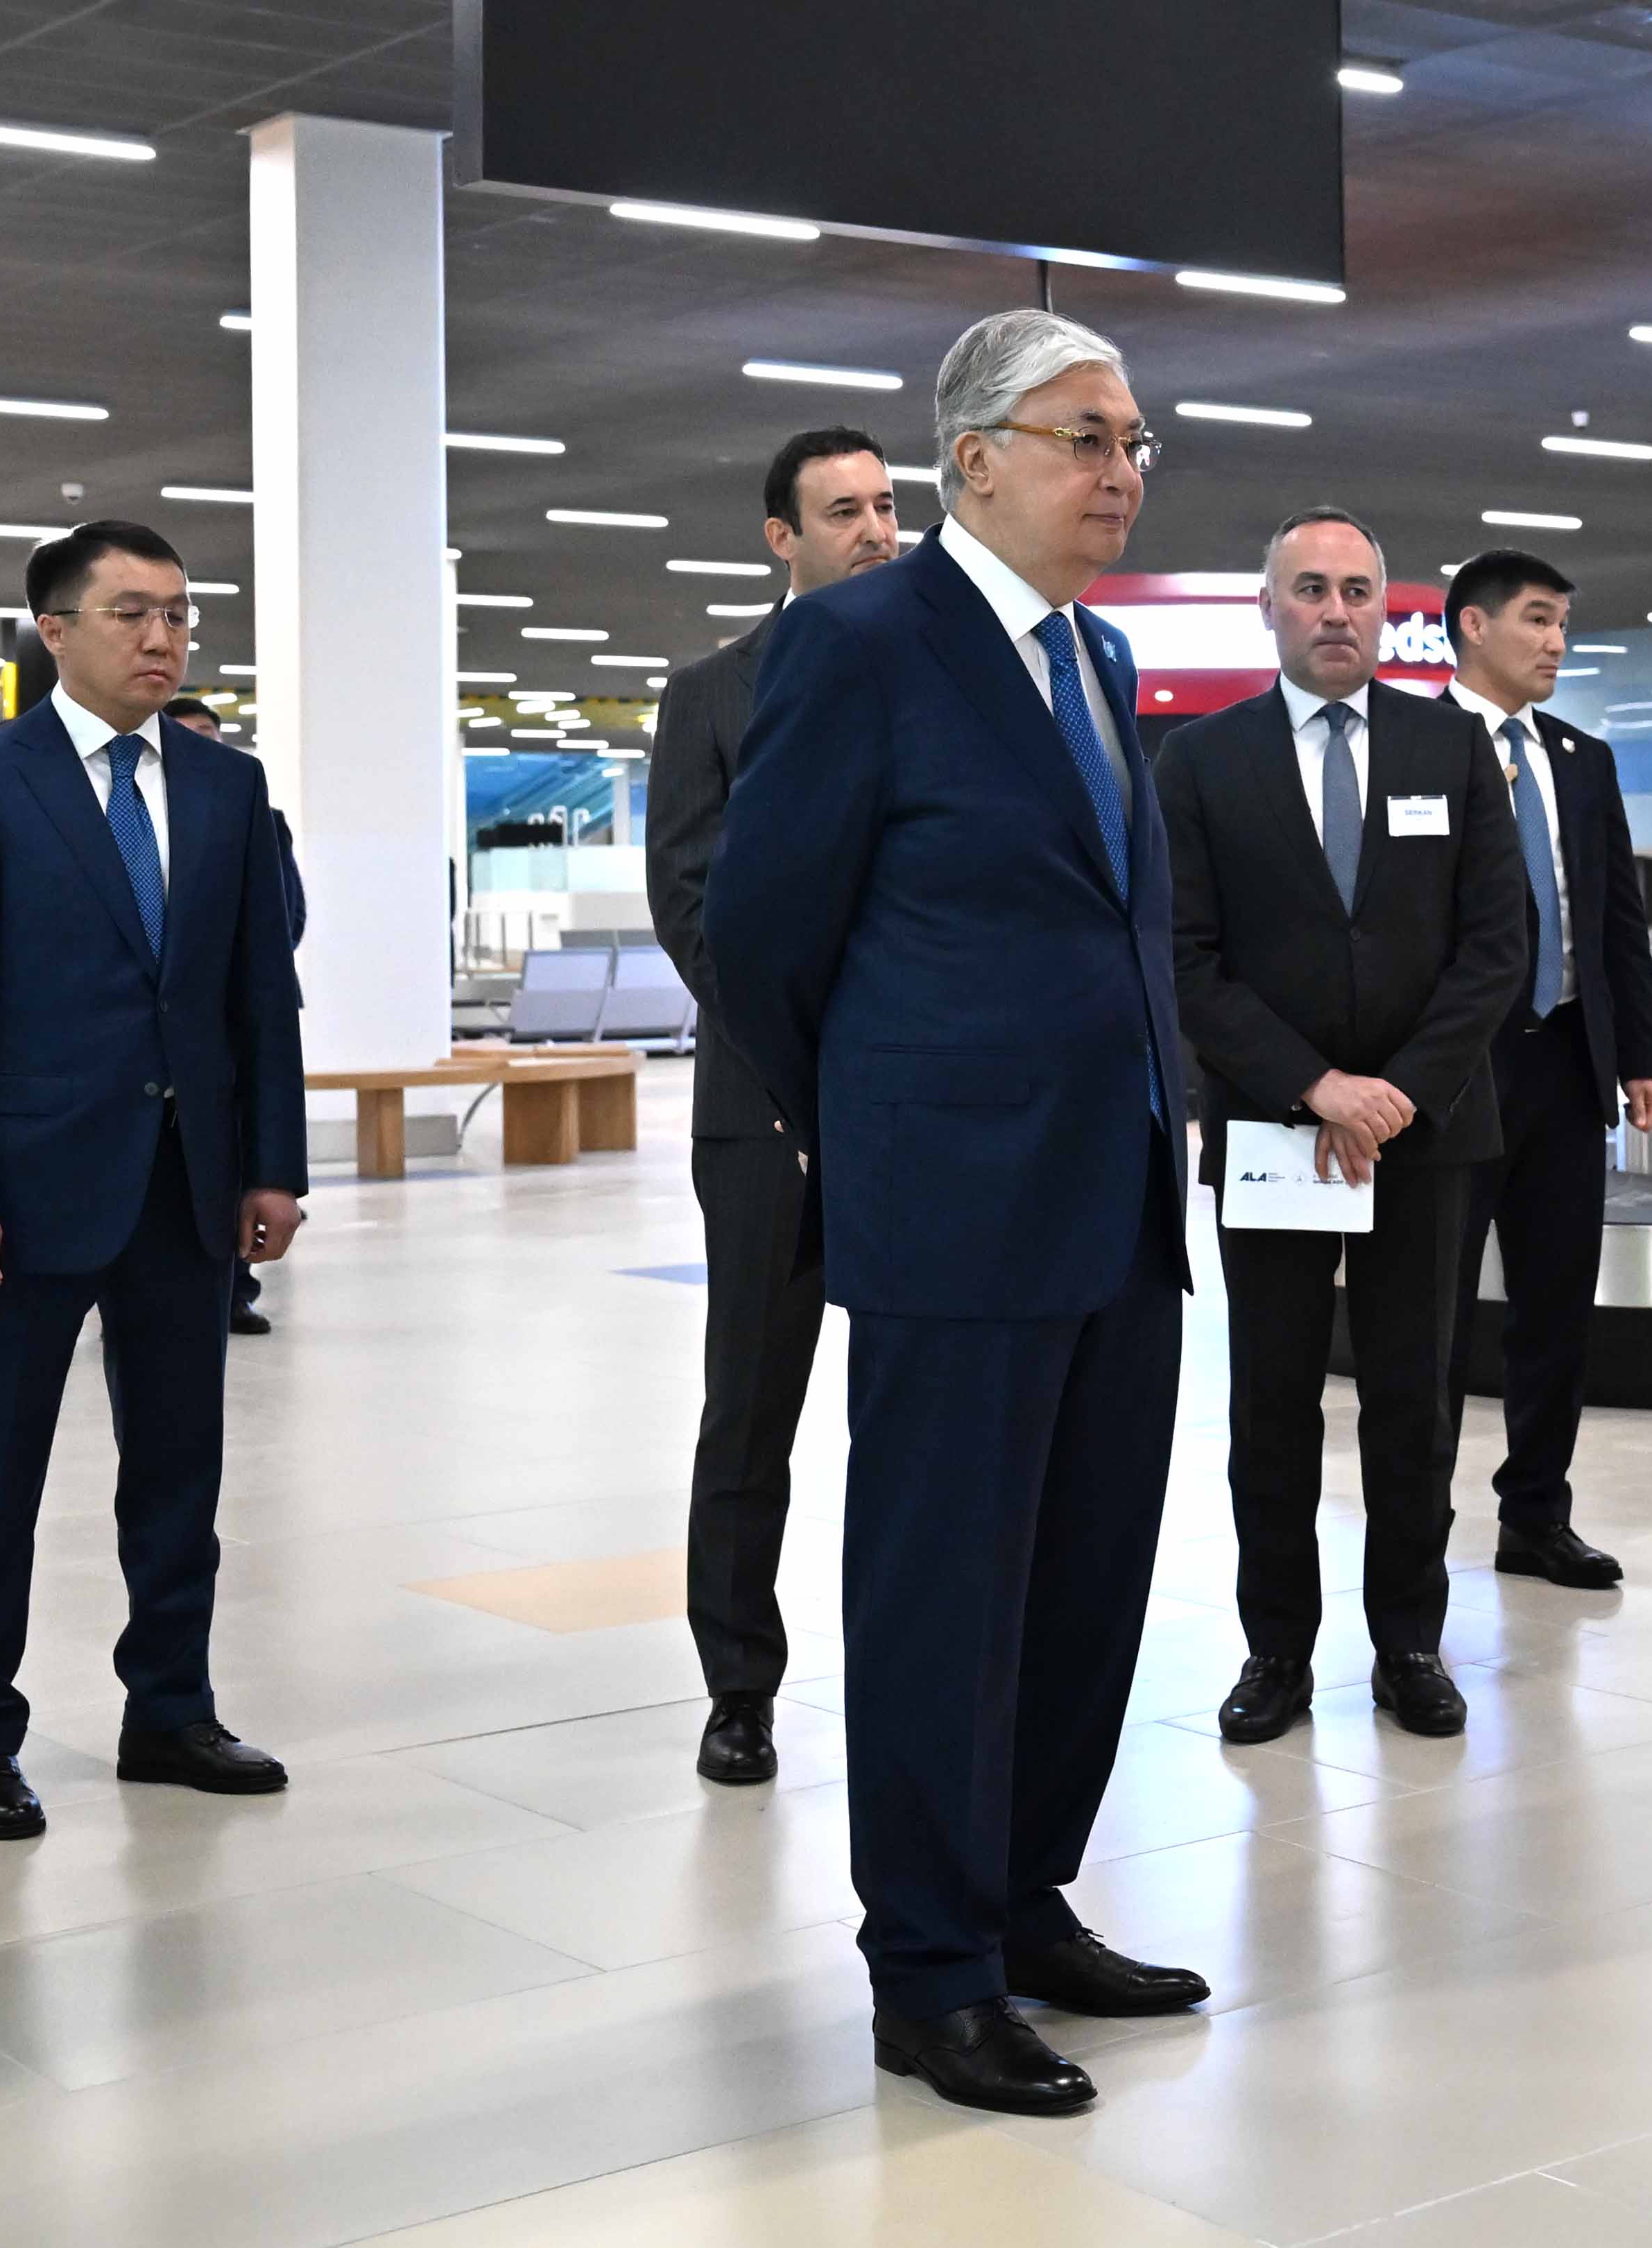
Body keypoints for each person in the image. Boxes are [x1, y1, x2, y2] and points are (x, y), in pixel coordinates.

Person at [708, 309, 1203, 2118]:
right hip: (953, 1207)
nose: (1120, 470)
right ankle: (928, 1969)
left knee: (1085, 1580)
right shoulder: (863, 643)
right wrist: (887, 1119)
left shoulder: (1096, 656)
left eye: (1134, 440)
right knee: (942, 1593)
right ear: (974, 458)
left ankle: (1021, 1901)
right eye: (1086, 436)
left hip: (1115, 1193)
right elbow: (761, 937)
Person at [0, 520, 309, 1842]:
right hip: (22, 1196)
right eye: (132, 613)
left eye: (178, 614)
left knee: (179, 1467)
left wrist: (273, 1166)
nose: (162, 637)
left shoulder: (228, 787)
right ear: (55, 631)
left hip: (187, 1188)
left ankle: (170, 1709)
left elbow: (260, 994)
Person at [1157, 509, 1526, 1747]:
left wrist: (1396, 1091)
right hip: (1275, 1134)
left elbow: (1496, 946)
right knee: (1270, 1400)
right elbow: (1185, 958)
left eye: (1357, 590)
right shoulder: (1202, 761)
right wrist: (1315, 1085)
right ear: (1268, 608)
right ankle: (1276, 1650)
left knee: (1413, 1401)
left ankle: (1409, 1643)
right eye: (1310, 589)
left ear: (1387, 610)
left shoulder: (1450, 746)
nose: (1335, 611)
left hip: (1426, 1133)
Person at [648, 425, 900, 1787]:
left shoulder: (944, 677)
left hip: (920, 1110)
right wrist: (811, 1057)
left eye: (885, 505)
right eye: (842, 510)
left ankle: (916, 1664)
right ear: (781, 537)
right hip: (765, 1114)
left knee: (919, 1408)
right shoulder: (713, 695)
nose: (875, 530)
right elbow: (690, 906)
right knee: (749, 1409)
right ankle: (738, 1685)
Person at [1438, 549, 1652, 1590]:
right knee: (1437, 1317)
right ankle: (1417, 1527)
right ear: (1474, 625)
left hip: (1569, 1066)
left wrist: (1641, 1056)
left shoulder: (1581, 758)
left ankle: (1536, 1516)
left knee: (1555, 1311)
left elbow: (1618, 917)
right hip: (1455, 1076)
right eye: (1537, 619)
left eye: (1564, 624)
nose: (1556, 643)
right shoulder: (1417, 748)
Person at [160, 694, 302, 1337]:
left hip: (219, 1043)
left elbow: (282, 917)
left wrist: (279, 1173)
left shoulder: (247, 801)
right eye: (187, 731)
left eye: (209, 732)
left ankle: (237, 1291)